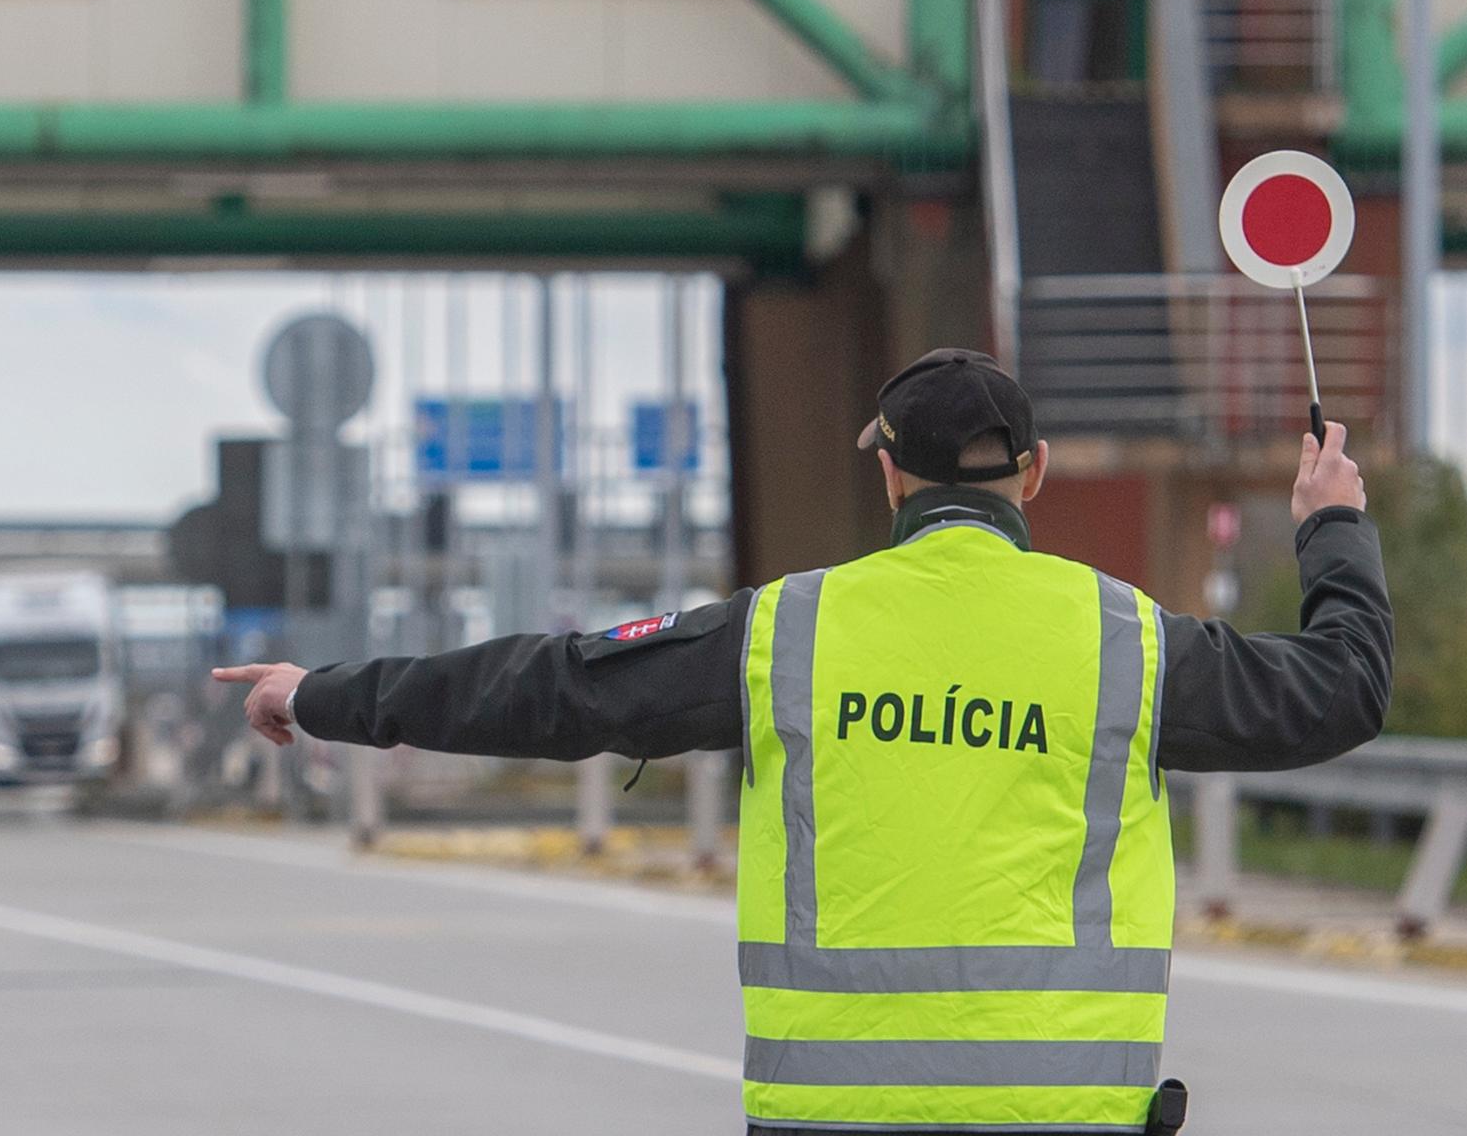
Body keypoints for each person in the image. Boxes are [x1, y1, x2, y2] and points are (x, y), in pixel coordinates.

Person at [217, 347, 1392, 1136]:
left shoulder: (784, 632)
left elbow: (552, 687)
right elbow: (1339, 690)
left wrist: (322, 692)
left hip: (831, 1116)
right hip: (1062, 1117)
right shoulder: (1126, 643)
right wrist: (1328, 522)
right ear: (1030, 474)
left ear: (887, 473)